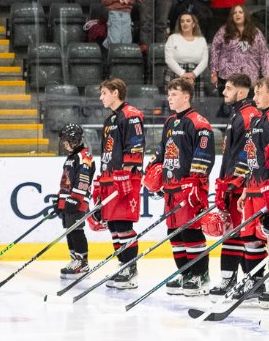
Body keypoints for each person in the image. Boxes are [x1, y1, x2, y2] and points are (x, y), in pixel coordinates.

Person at [225, 77, 269, 304]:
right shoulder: (257, 120)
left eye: (258, 92)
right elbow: (250, 155)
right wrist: (245, 185)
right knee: (251, 239)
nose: (254, 97)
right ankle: (255, 281)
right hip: (254, 188)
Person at [153, 77, 216, 296]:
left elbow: (204, 154)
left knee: (191, 231)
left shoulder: (199, 123)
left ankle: (200, 275)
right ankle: (186, 273)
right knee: (174, 233)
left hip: (189, 188)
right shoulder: (170, 122)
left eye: (174, 94)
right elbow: (162, 151)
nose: (170, 98)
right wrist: (154, 170)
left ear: (186, 96)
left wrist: (195, 182)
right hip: (171, 187)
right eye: (169, 94)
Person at [208, 73, 258, 297]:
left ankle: (251, 283)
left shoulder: (248, 116)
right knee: (231, 234)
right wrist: (222, 183)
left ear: (240, 91)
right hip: (231, 185)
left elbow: (249, 154)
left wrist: (237, 181)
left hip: (241, 188)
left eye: (228, 88)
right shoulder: (237, 115)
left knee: (243, 235)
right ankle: (230, 280)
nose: (223, 92)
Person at [96, 79, 145, 289]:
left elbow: (135, 147)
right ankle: (122, 265)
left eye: (104, 93)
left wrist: (125, 174)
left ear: (116, 93)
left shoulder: (131, 115)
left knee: (124, 225)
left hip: (125, 178)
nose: (101, 97)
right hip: (110, 178)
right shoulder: (111, 119)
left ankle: (131, 270)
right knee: (114, 226)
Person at [55, 123, 98, 279]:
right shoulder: (70, 158)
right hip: (68, 201)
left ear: (75, 140)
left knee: (76, 230)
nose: (65, 145)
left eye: (67, 141)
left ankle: (82, 261)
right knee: (69, 229)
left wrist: (75, 199)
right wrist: (59, 200)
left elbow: (83, 180)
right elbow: (65, 181)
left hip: (78, 201)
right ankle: (74, 258)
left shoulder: (84, 156)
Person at [209, 5, 269, 85]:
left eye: (240, 12)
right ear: (231, 16)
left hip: (250, 79)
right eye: (234, 13)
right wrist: (214, 72)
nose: (237, 15)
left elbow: (264, 55)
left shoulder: (255, 33)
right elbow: (214, 51)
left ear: (245, 15)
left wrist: (268, 78)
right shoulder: (224, 31)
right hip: (227, 78)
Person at [165, 10, 211, 85]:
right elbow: (169, 59)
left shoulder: (201, 40)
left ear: (193, 24)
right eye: (182, 21)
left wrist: (193, 74)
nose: (185, 23)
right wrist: (182, 73)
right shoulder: (172, 38)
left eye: (188, 21)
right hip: (175, 74)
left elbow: (204, 61)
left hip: (196, 75)